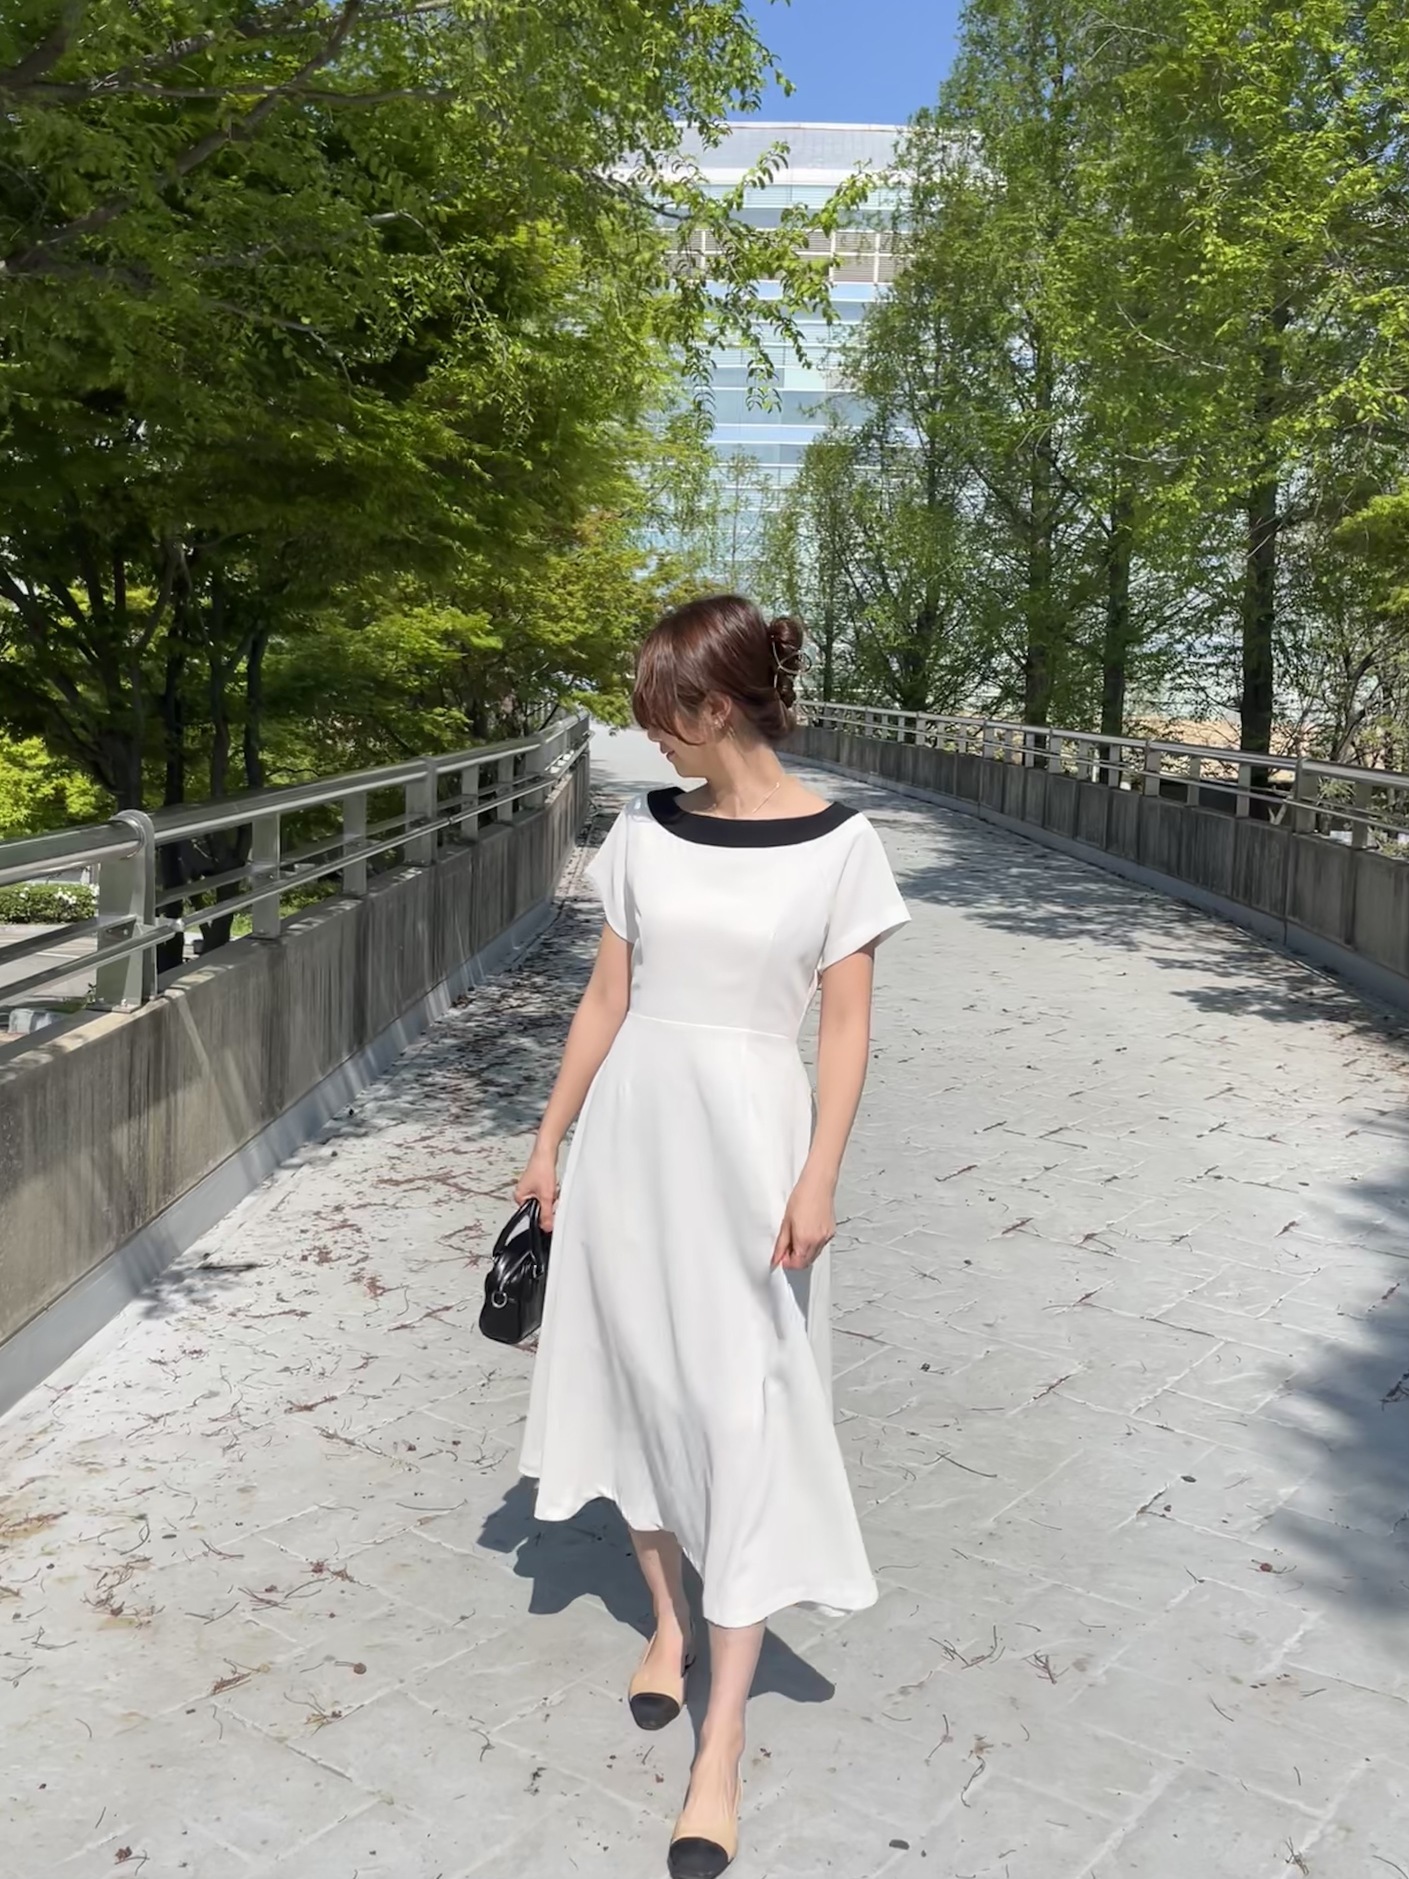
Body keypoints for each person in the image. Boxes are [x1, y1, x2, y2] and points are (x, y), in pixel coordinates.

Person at [515, 593, 909, 1878]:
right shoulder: (645, 829)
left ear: (719, 704)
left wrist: (819, 1175)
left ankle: (720, 1742)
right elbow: (606, 996)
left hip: (751, 1149)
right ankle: (669, 1623)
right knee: (641, 1387)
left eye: (662, 711)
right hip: (633, 1140)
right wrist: (548, 1138)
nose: (649, 734)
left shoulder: (841, 847)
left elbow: (842, 1027)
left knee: (741, 1417)